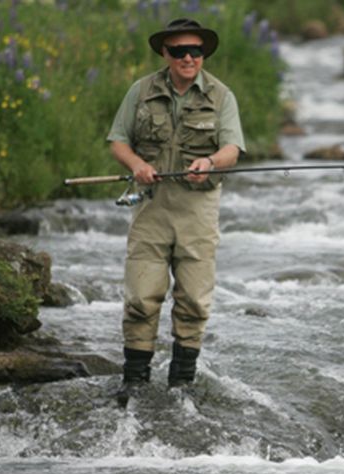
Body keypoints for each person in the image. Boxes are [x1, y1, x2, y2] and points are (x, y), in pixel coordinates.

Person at [107, 18, 245, 403]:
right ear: (165, 54)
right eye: (179, 51)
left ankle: (182, 382)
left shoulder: (222, 96)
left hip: (198, 210)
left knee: (195, 300)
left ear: (203, 55)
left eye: (195, 51)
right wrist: (136, 165)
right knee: (141, 297)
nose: (188, 57)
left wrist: (211, 163)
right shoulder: (140, 91)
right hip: (150, 208)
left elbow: (232, 150)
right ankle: (134, 381)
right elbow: (118, 141)